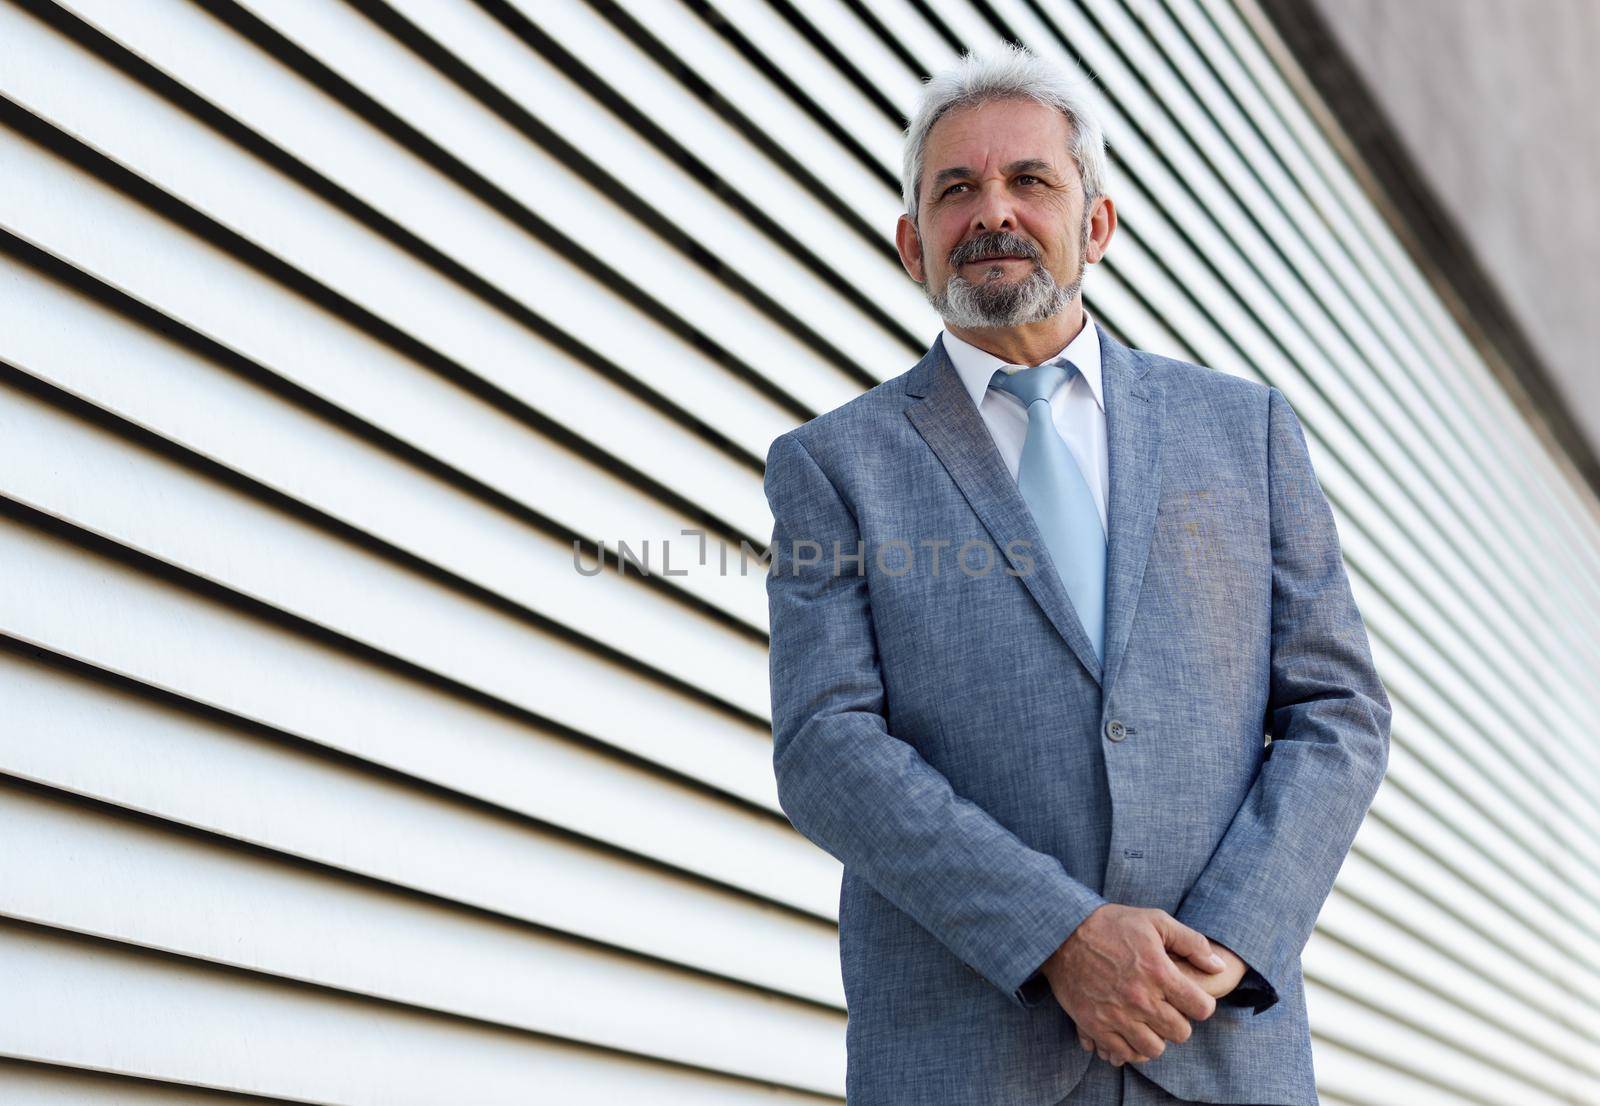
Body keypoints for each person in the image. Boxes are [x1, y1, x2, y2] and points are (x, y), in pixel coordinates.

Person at [762, 43, 1391, 1106]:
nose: (991, 210)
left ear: (1095, 225)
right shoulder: (833, 464)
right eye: (955, 188)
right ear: (912, 243)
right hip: (966, 1063)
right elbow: (827, 746)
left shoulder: (1245, 433)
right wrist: (1060, 933)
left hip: (1219, 1048)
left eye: (1029, 180)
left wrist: (1230, 940)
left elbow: (1338, 708)